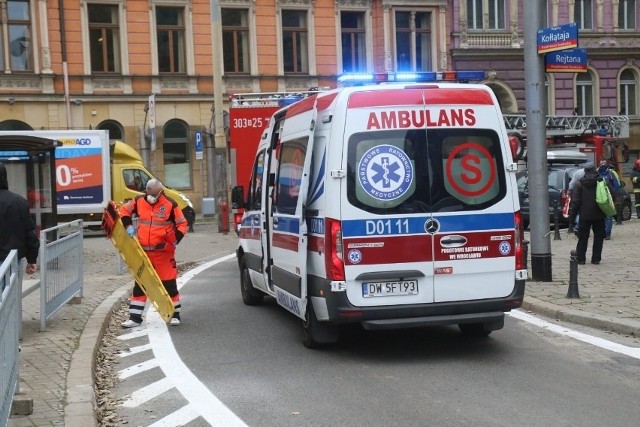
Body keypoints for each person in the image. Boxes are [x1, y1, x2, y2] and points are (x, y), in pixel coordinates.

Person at [119, 178, 188, 327]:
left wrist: (176, 239)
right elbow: (124, 211)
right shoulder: (139, 201)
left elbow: (182, 224)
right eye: (148, 193)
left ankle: (175, 314)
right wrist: (128, 226)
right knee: (141, 283)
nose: (150, 197)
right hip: (143, 251)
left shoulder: (170, 204)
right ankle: (135, 317)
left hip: (163, 252)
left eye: (153, 194)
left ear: (160, 192)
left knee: (169, 283)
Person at [0, 163, 39, 286]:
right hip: (11, 259)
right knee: (11, 299)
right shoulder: (19, 201)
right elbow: (29, 232)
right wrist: (32, 259)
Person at [568, 163, 613, 265]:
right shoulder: (602, 181)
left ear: (585, 171)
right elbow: (611, 195)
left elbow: (575, 202)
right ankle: (596, 259)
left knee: (583, 237)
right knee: (598, 237)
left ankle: (580, 258)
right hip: (599, 214)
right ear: (595, 170)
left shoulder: (580, 184)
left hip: (584, 215)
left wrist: (572, 219)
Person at [597, 160, 620, 239]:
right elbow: (616, 186)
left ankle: (602, 233)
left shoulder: (597, 173)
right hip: (609, 197)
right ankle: (607, 234)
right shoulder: (610, 174)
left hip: (599, 197)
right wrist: (616, 197)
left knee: (600, 216)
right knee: (608, 215)